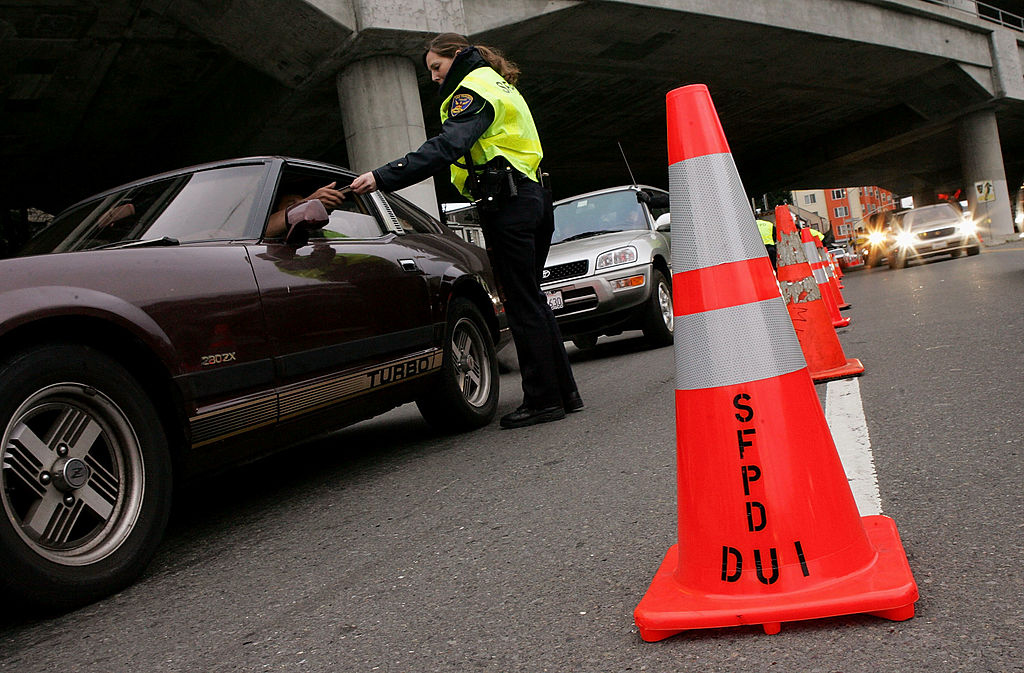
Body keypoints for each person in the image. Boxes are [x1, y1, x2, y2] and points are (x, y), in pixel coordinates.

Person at [350, 32, 581, 429]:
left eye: (436, 69)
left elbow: (447, 146)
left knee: (521, 301)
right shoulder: (498, 82)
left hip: (509, 204)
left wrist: (382, 177)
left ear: (456, 57)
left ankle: (544, 400)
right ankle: (564, 393)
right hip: (535, 198)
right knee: (532, 299)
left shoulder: (470, 90)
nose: (435, 79)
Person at [265, 182, 348, 238]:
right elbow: (265, 228)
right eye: (292, 206)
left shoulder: (320, 234)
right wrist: (311, 200)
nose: (303, 209)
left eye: (301, 204)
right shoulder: (265, 241)